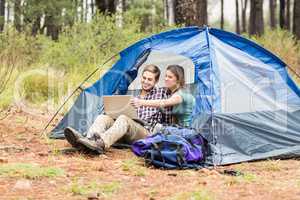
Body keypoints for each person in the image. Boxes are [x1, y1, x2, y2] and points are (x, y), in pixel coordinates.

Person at [64, 64, 172, 154]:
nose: (146, 81)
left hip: (145, 133)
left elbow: (167, 114)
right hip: (126, 129)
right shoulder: (135, 94)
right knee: (103, 117)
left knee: (124, 118)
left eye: (150, 79)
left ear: (156, 81)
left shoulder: (161, 93)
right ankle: (88, 141)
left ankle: (101, 144)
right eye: (144, 78)